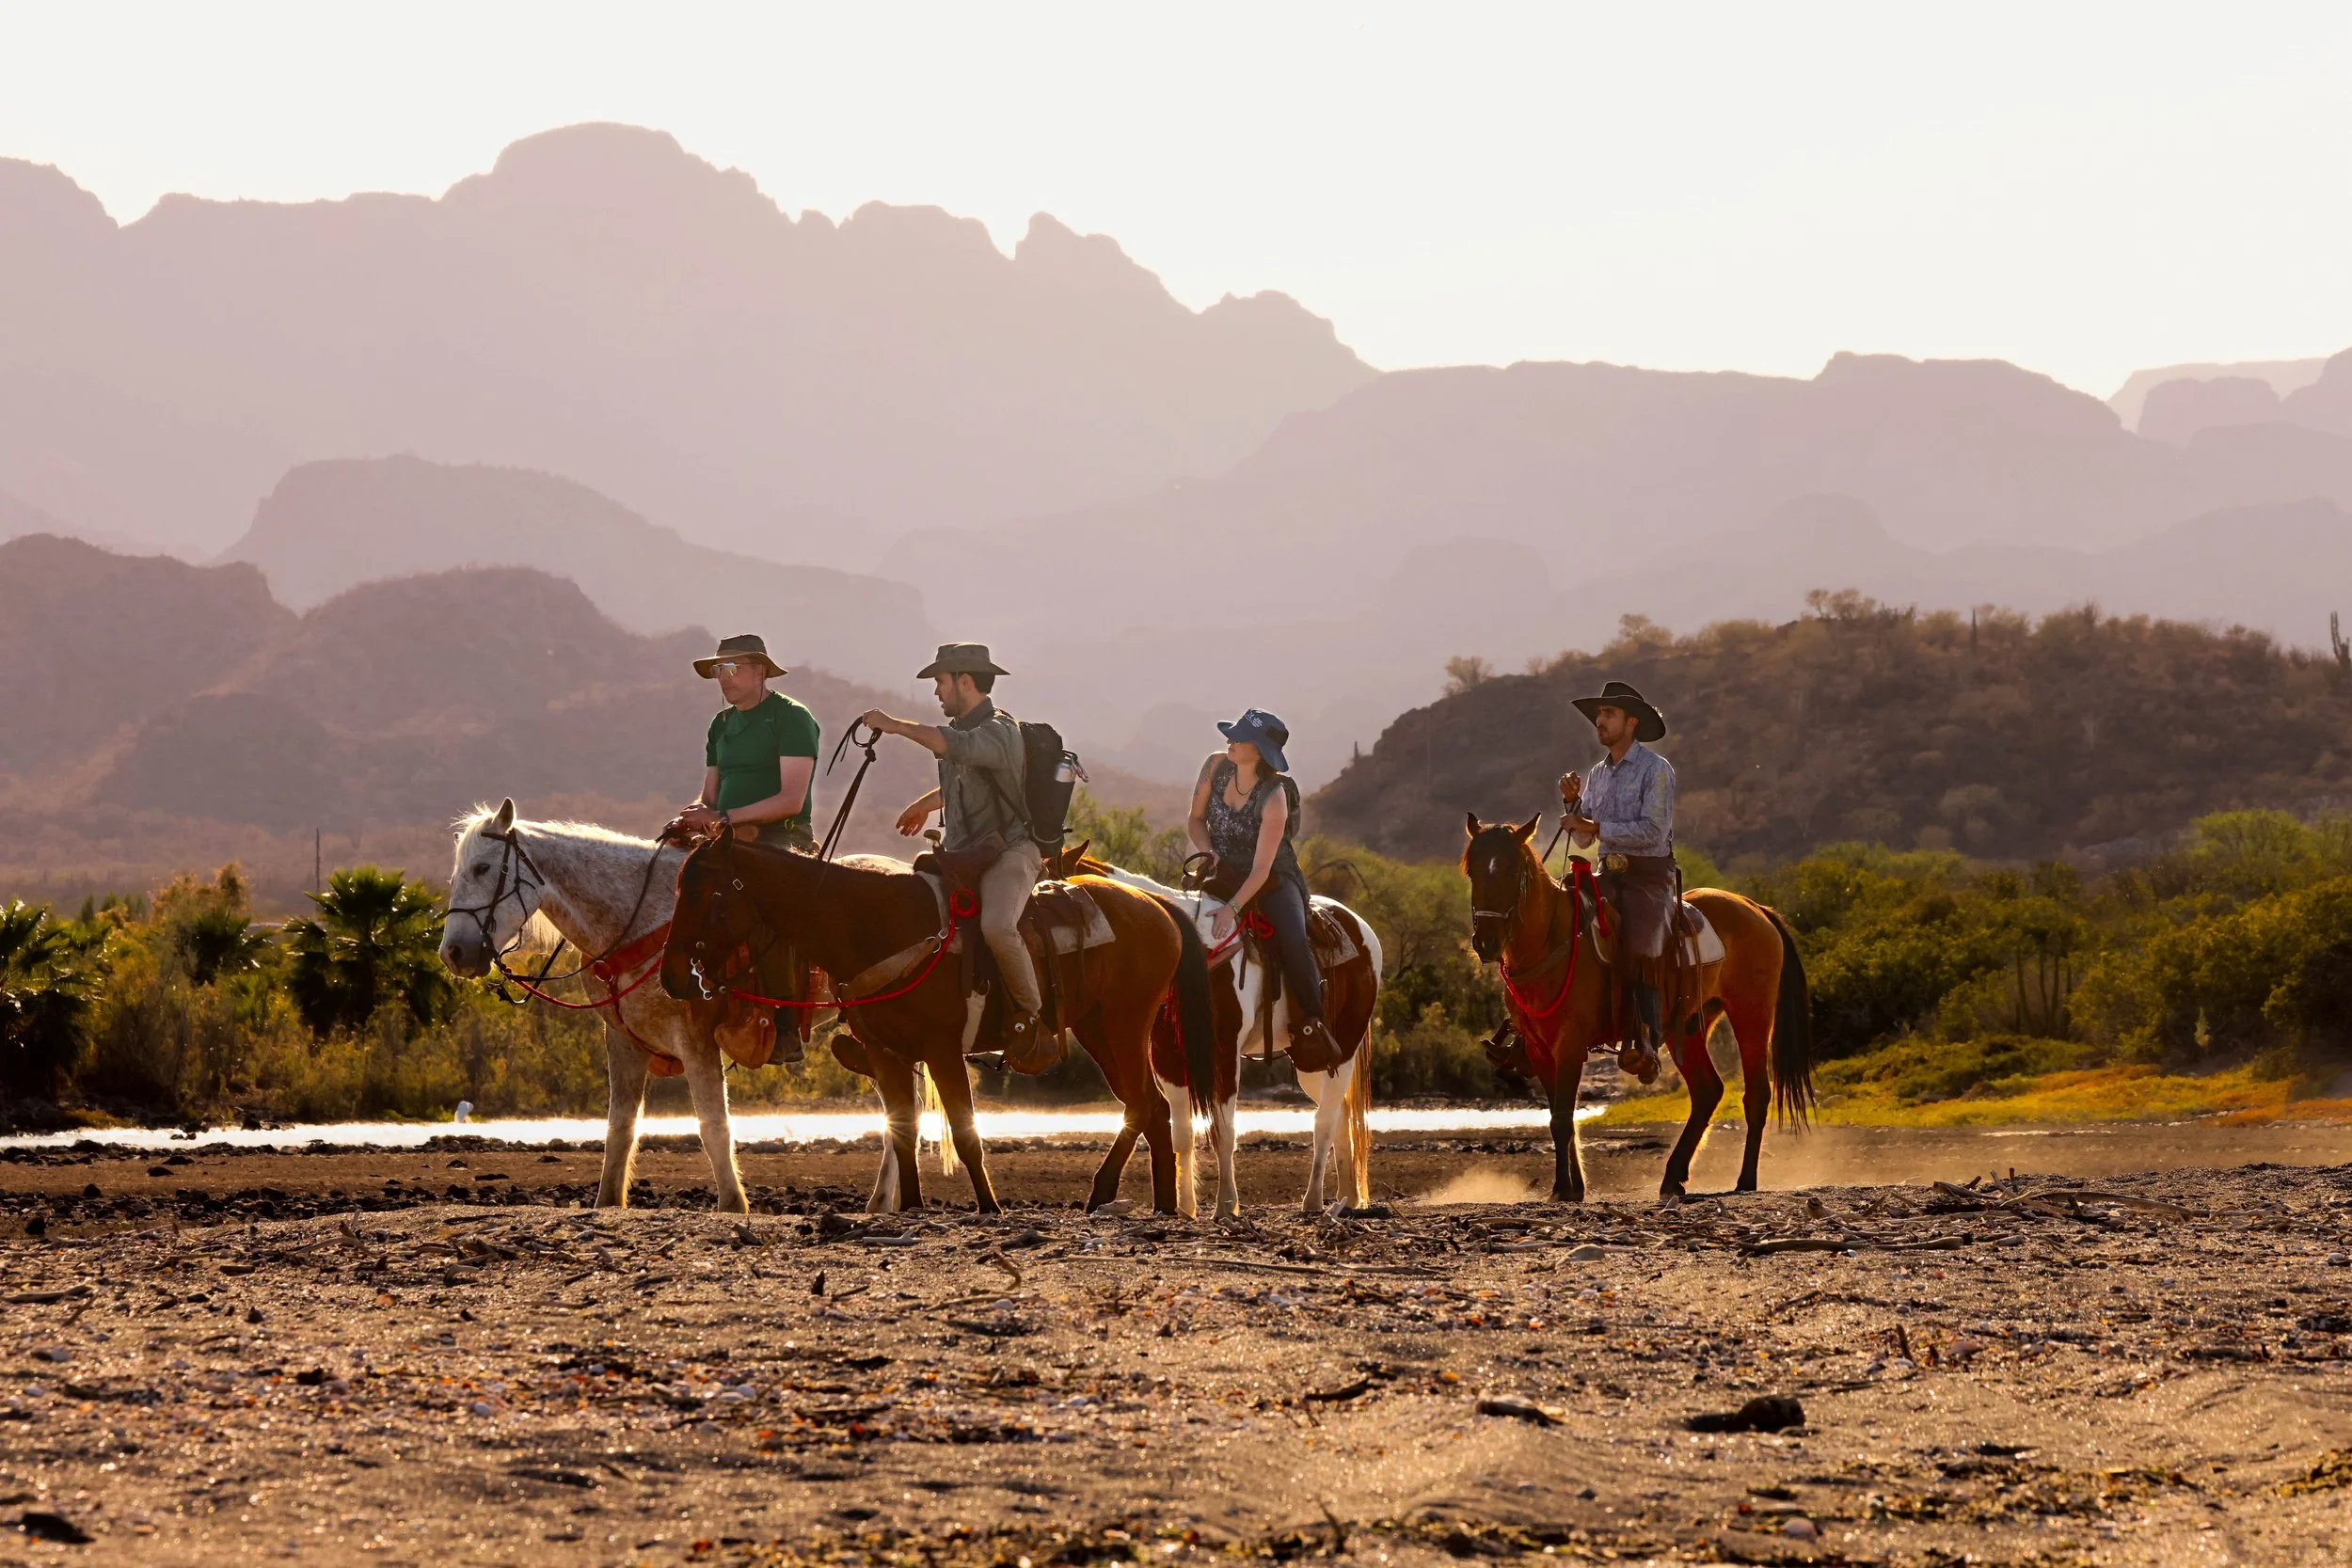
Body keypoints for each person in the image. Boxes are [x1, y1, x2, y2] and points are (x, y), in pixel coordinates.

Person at [860, 643, 1054, 1071]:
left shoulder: (1000, 732)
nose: (936, 693)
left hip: (1010, 852)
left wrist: (892, 725)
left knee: (998, 927)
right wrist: (927, 805)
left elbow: (953, 745)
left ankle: (1033, 1022)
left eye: (940, 683)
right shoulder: (968, 732)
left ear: (965, 682)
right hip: (964, 854)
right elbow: (961, 777)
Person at [666, 632, 821, 1060]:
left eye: (732, 669)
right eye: (718, 670)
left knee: (768, 910)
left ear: (760, 671)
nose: (723, 678)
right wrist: (692, 816)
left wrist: (722, 820)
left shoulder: (791, 718)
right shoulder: (720, 725)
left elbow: (791, 800)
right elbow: (710, 796)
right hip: (725, 838)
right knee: (668, 885)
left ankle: (785, 1027)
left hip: (781, 837)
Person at [1187, 708, 1338, 1068]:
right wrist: (1209, 853)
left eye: (1239, 738)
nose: (1230, 741)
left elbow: (1261, 868)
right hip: (1220, 870)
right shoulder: (1214, 765)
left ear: (1257, 751)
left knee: (1293, 939)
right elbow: (1195, 819)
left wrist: (1232, 908)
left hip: (1271, 879)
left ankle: (1313, 1023)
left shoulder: (1274, 797)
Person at [1558, 680, 1677, 1085]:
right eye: (1598, 715)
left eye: (1608, 714)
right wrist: (1572, 806)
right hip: (1608, 874)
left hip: (1648, 876)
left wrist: (1591, 823)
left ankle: (1646, 1039)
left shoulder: (1656, 770)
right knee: (1561, 918)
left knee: (1642, 943)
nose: (1599, 721)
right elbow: (1587, 837)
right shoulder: (1597, 774)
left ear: (1631, 722)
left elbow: (1653, 832)